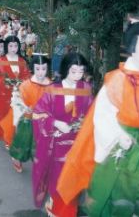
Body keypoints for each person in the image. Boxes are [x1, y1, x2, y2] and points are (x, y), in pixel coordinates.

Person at [55, 15, 139, 217]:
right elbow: (102, 117)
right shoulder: (118, 80)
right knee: (119, 200)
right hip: (121, 150)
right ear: (132, 47)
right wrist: (119, 134)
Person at [32, 52, 93, 216]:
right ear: (66, 69)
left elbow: (92, 114)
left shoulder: (86, 89)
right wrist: (56, 123)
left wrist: (85, 124)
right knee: (60, 184)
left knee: (73, 186)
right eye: (74, 71)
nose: (78, 76)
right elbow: (38, 114)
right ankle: (58, 208)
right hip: (56, 145)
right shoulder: (53, 89)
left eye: (81, 71)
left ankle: (58, 209)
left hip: (78, 145)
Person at [9, 54, 51, 173]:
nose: (41, 72)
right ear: (33, 68)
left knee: (41, 145)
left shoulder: (52, 86)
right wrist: (26, 110)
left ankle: (40, 164)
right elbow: (17, 101)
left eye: (44, 68)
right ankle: (17, 158)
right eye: (37, 69)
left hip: (44, 120)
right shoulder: (25, 85)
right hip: (28, 119)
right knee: (23, 141)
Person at [0, 35, 31, 146]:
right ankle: (8, 139)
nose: (13, 48)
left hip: (20, 94)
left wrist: (21, 84)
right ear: (6, 47)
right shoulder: (0, 61)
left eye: (16, 45)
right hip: (4, 95)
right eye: (11, 45)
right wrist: (5, 82)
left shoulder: (22, 61)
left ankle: (16, 137)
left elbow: (27, 75)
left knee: (18, 118)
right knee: (7, 118)